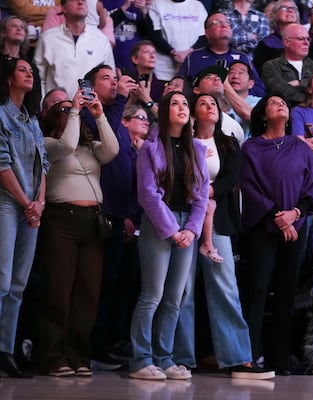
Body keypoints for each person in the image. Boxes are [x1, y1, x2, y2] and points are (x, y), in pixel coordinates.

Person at [190, 93, 274, 380]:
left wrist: (204, 193)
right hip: (182, 219)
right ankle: (178, 357)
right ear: (194, 112)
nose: (209, 106)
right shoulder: (182, 141)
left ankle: (239, 358)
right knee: (183, 291)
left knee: (226, 288)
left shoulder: (227, 144)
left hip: (218, 222)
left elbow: (229, 181)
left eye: (213, 103)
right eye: (202, 103)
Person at [37, 87, 119, 377]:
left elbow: (112, 150)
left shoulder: (88, 144)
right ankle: (52, 356)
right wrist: (72, 110)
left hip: (92, 221)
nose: (70, 111)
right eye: (60, 108)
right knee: (58, 290)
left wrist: (98, 115)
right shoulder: (46, 142)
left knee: (88, 292)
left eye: (70, 108)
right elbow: (67, 146)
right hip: (61, 220)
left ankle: (78, 355)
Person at [129, 91, 209, 380]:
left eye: (185, 104)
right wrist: (173, 231)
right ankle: (141, 360)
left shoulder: (197, 150)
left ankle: (164, 359)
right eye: (175, 103)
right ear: (164, 112)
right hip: (158, 224)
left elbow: (201, 198)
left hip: (187, 227)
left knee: (175, 298)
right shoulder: (149, 149)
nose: (182, 108)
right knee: (153, 294)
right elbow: (148, 196)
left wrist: (191, 230)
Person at [240, 94, 313, 375]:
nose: (281, 105)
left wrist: (294, 215)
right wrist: (279, 217)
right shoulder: (251, 148)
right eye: (275, 103)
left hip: (294, 228)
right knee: (257, 290)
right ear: (263, 115)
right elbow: (249, 187)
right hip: (263, 227)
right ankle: (249, 354)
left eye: (284, 103)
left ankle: (280, 358)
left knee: (286, 293)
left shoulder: (301, 148)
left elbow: (312, 188)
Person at [90, 104, 149, 369]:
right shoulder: (118, 148)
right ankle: (100, 344)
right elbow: (117, 186)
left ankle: (121, 341)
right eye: (140, 118)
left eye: (148, 119)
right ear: (124, 122)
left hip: (140, 228)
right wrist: (125, 215)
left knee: (130, 288)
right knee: (109, 285)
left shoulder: (144, 152)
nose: (146, 122)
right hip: (117, 221)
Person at [0, 57, 48, 379]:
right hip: (7, 203)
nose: (29, 73)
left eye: (32, 71)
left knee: (18, 284)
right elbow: (1, 164)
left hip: (31, 206)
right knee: (2, 281)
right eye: (22, 70)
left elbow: (44, 164)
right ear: (8, 79)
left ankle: (6, 351)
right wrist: (26, 202)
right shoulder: (1, 114)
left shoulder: (32, 120)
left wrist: (40, 203)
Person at [34, 0, 115, 97]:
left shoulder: (102, 40)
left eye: (84, 0)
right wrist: (43, 105)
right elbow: (39, 79)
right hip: (57, 109)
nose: (80, 2)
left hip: (91, 108)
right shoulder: (47, 38)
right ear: (63, 8)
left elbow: (111, 78)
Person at [177, 12, 265, 98]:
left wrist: (240, 96)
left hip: (236, 108)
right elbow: (179, 85)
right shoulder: (193, 57)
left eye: (227, 22)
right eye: (216, 23)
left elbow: (259, 88)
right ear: (207, 33)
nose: (224, 25)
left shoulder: (243, 57)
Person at [261, 23, 313, 108]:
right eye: (301, 39)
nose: (306, 43)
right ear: (287, 42)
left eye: (308, 39)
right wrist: (312, 98)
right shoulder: (271, 66)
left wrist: (299, 83)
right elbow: (281, 91)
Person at [147, 0, 207, 82]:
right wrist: (172, 52)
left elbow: (203, 36)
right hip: (163, 70)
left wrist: (188, 53)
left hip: (191, 68)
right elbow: (154, 35)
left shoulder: (197, 5)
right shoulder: (157, 4)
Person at [253, 0, 300, 76]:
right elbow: (260, 72)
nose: (290, 10)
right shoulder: (266, 43)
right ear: (275, 15)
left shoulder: (306, 41)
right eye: (284, 8)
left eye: (293, 8)